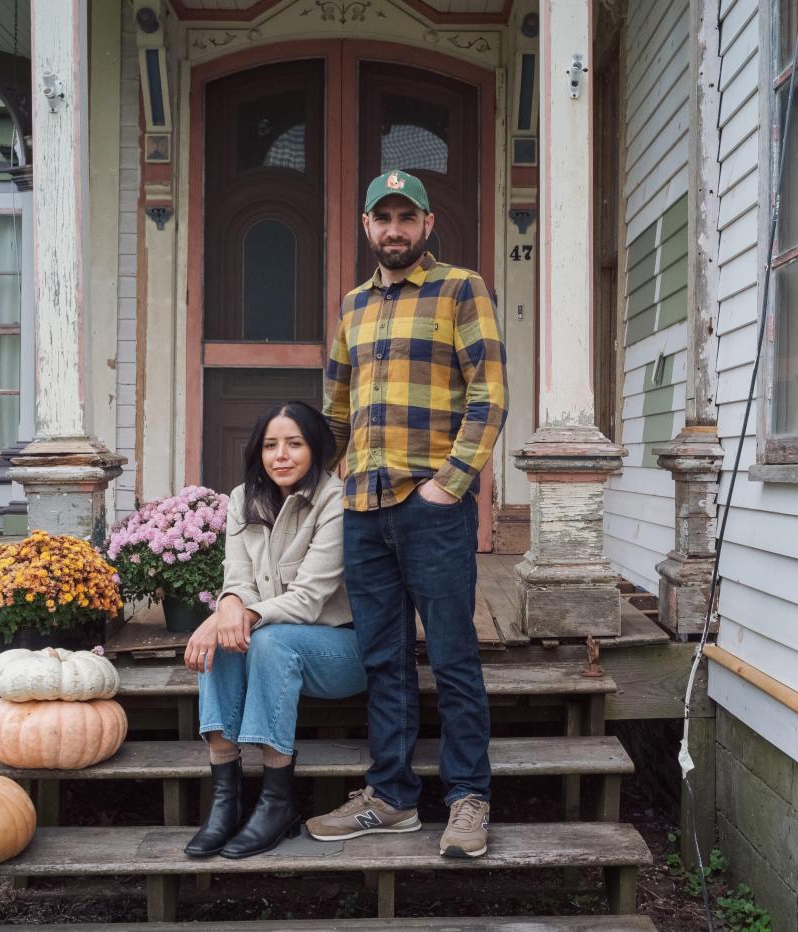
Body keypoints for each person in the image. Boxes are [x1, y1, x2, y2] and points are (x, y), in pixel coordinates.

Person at [309, 169, 508, 858]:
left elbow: (489, 395)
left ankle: (468, 799)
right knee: (384, 660)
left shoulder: (462, 289)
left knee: (453, 656)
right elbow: (335, 410)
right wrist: (312, 484)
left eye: (406, 217)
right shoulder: (352, 306)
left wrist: (451, 483)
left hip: (432, 508)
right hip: (364, 509)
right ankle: (392, 797)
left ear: (427, 225)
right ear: (367, 227)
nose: (394, 229)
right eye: (382, 218)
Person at [183, 401, 367, 859]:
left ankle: (277, 801)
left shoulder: (334, 500)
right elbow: (237, 580)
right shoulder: (242, 499)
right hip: (273, 641)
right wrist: (226, 605)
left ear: (316, 449)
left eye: (294, 444)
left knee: (264, 636)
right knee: (228, 643)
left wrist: (233, 615)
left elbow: (308, 598)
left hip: (342, 652)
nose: (281, 455)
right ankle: (225, 801)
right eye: (271, 445)